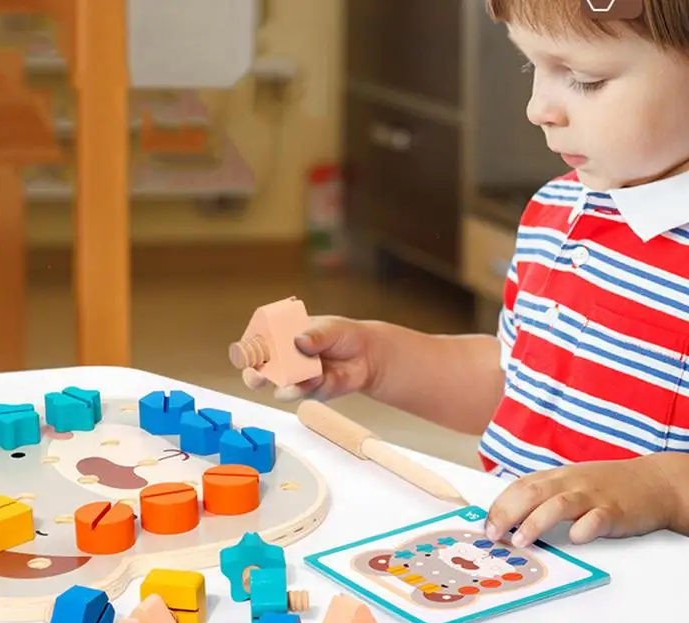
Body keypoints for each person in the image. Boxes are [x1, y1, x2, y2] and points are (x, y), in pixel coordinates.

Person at [246, 0, 689, 549]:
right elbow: (518, 384)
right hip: (530, 565)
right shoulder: (559, 210)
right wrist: (377, 360)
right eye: (533, 68)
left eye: (584, 79)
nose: (538, 108)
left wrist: (665, 485)